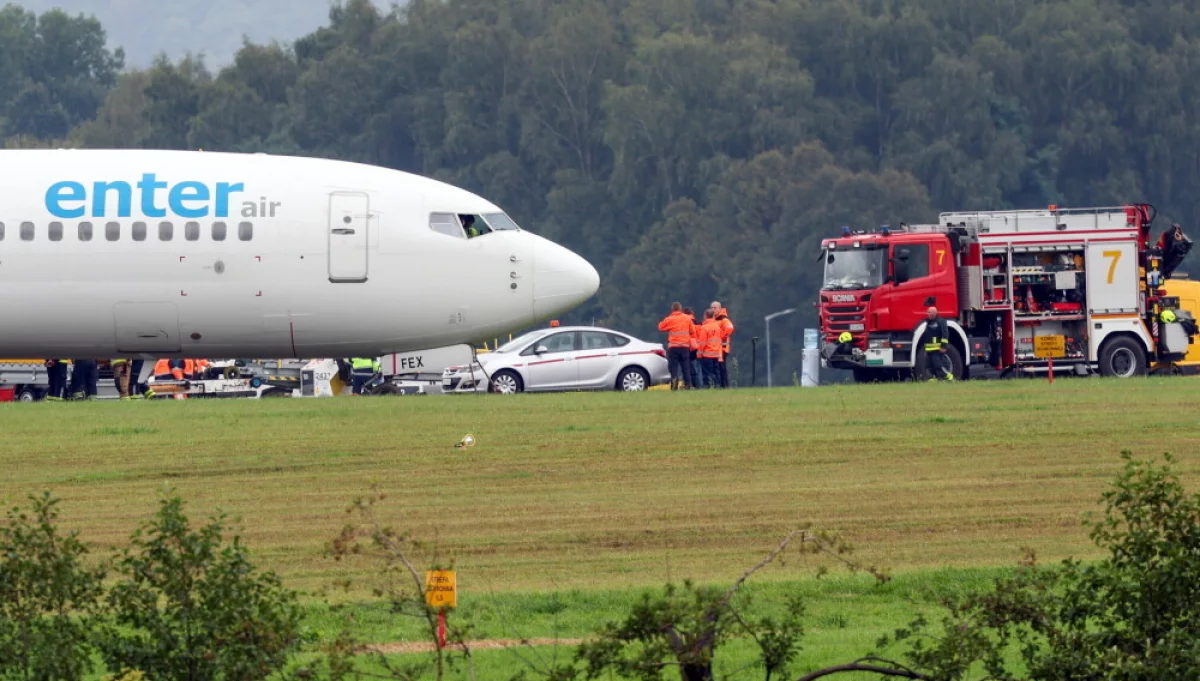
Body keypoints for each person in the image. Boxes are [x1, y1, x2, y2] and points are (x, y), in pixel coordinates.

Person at [657, 302, 693, 390]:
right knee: (686, 367)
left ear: (672, 309)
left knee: (674, 367)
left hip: (673, 347)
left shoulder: (669, 319)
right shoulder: (687, 318)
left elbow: (660, 327)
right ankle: (688, 385)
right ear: (680, 309)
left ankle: (674, 384)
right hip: (685, 347)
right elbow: (692, 330)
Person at [920, 307, 953, 381]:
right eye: (927, 312)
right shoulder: (928, 322)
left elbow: (945, 334)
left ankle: (948, 375)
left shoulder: (941, 321)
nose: (927, 314)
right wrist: (925, 348)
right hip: (929, 349)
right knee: (929, 365)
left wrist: (943, 346)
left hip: (937, 349)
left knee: (938, 364)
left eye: (929, 312)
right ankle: (933, 378)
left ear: (934, 313)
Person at [698, 309, 723, 387]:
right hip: (716, 354)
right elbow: (719, 340)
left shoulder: (704, 328)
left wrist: (699, 354)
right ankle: (718, 385)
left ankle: (708, 386)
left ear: (705, 316)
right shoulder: (717, 327)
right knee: (716, 372)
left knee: (707, 373)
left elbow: (702, 343)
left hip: (707, 354)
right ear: (713, 316)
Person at [715, 308, 734, 388]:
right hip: (717, 349)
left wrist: (721, 336)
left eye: (714, 308)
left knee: (722, 368)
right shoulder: (716, 320)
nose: (713, 310)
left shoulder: (724, 319)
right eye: (712, 308)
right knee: (719, 368)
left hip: (723, 349)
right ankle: (722, 385)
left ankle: (725, 385)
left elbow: (730, 328)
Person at [684, 307, 702, 388]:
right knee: (698, 369)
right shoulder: (698, 322)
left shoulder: (686, 323)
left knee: (690, 370)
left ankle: (693, 385)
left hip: (689, 348)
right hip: (698, 348)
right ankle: (699, 386)